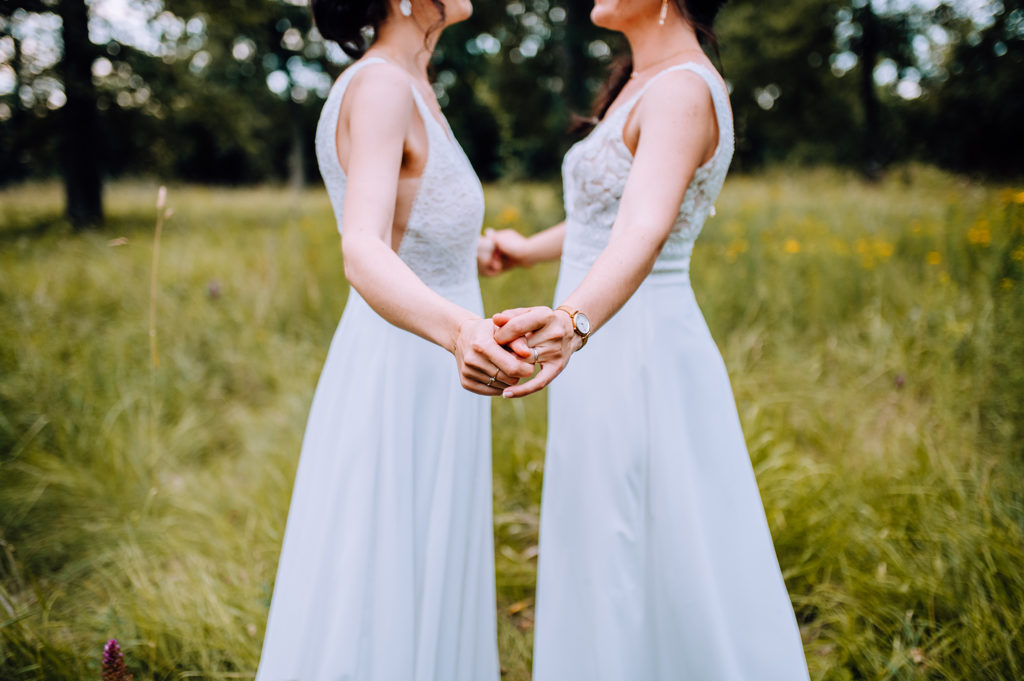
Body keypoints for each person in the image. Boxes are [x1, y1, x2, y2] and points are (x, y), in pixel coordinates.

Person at [485, 0, 812, 678]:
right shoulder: (642, 78)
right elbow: (606, 217)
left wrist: (574, 319)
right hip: (601, 337)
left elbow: (644, 225)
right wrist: (526, 251)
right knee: (605, 533)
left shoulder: (683, 89)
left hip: (638, 344)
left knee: (651, 536)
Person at [254, 0, 532, 679]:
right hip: (411, 364)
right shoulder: (382, 84)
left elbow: (410, 221)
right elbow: (363, 247)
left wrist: (467, 249)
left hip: (429, 358)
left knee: (423, 565)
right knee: (385, 572)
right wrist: (461, 330)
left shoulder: (411, 82)